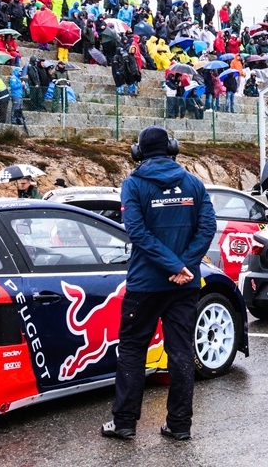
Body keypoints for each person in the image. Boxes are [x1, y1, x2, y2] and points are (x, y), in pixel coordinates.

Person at [102, 126, 217, 441]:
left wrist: (176, 264)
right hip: (184, 285)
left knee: (132, 350)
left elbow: (136, 232)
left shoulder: (133, 184)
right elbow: (208, 227)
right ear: (172, 148)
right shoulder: (193, 183)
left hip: (146, 285)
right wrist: (185, 265)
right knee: (180, 351)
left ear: (138, 152)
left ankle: (124, 422)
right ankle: (180, 426)